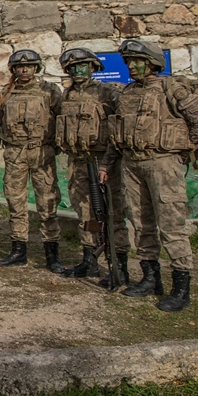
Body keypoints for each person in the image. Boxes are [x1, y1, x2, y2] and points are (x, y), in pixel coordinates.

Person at [104, 39, 198, 312]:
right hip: (132, 163)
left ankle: (181, 287)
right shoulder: (127, 94)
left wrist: (182, 153)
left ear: (153, 63)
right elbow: (117, 135)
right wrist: (107, 165)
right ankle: (151, 279)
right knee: (141, 224)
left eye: (138, 61)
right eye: (129, 62)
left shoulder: (171, 88)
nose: (133, 66)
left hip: (162, 163)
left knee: (171, 225)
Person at [0, 49, 64, 271]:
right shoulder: (6, 94)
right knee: (15, 203)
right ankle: (19, 250)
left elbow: (63, 118)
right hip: (15, 154)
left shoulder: (48, 91)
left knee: (47, 202)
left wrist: (60, 144)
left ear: (36, 68)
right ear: (13, 70)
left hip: (42, 153)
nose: (24, 70)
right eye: (19, 67)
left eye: (29, 66)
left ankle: (52, 253)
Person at [54, 48, 129, 283]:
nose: (77, 71)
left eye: (82, 66)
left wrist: (109, 162)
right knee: (84, 211)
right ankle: (89, 259)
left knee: (113, 213)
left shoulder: (108, 92)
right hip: (78, 162)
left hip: (103, 162)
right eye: (73, 67)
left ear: (93, 67)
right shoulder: (67, 95)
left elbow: (123, 123)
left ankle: (119, 264)